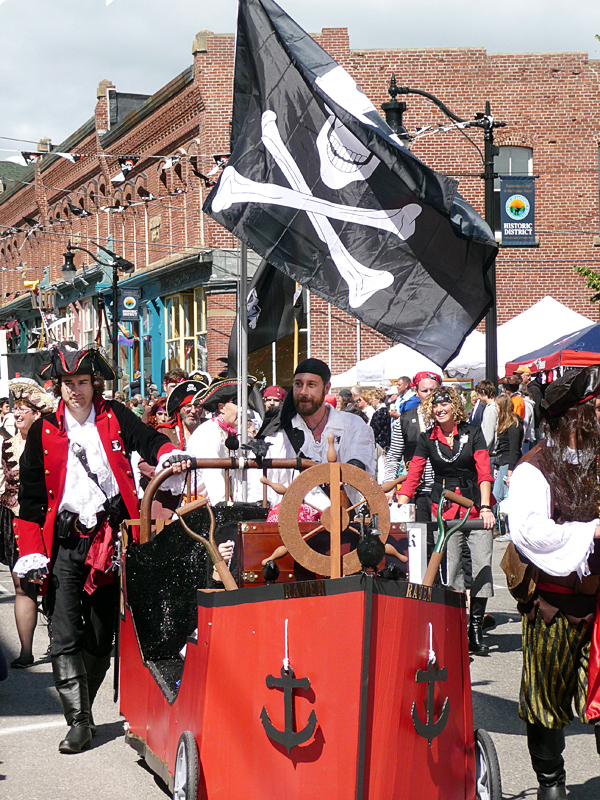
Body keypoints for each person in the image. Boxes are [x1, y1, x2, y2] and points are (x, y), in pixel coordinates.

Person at [12, 344, 189, 755]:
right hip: (64, 544)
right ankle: (77, 722)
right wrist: (32, 550)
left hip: (109, 542)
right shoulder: (44, 429)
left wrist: (169, 454)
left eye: (83, 382)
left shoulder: (115, 416)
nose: (76, 391)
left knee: (99, 635)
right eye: (69, 384)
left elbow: (148, 439)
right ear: (59, 387)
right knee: (63, 632)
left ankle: (85, 713)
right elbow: (33, 497)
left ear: (95, 384)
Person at [507, 366, 600, 800]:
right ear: (575, 417)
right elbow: (529, 532)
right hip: (553, 606)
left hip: (598, 606)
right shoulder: (534, 468)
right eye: (596, 410)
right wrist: (592, 531)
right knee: (545, 704)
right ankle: (551, 786)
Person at [397, 386, 495, 654]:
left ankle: (475, 628)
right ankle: (456, 627)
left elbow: (484, 472)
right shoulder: (427, 438)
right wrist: (400, 506)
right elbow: (414, 474)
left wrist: (486, 507)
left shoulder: (472, 433)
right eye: (435, 406)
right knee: (451, 569)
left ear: (455, 407)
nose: (440, 409)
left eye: (445, 405)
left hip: (475, 506)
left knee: (482, 564)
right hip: (445, 508)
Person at [263, 359, 376, 507]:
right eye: (298, 384)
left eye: (311, 385)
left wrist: (345, 474)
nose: (303, 392)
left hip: (341, 522)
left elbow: (359, 459)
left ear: (326, 388)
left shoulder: (353, 425)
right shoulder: (279, 433)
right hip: (290, 523)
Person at [0, 382, 54, 668]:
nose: (17, 414)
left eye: (23, 409)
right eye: (16, 409)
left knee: (53, 582)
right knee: (22, 586)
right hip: (14, 519)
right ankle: (25, 651)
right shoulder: (7, 443)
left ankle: (61, 643)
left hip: (44, 517)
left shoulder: (51, 442)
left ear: (37, 413)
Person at [186, 375, 263, 505]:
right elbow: (213, 475)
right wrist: (226, 508)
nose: (244, 409)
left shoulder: (236, 432)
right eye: (238, 403)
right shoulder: (208, 432)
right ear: (221, 408)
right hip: (202, 507)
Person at [383, 371, 442, 521]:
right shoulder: (406, 419)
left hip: (444, 489)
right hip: (417, 488)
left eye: (433, 390)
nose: (429, 395)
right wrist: (389, 483)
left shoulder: (449, 417)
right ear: (416, 391)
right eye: (424, 391)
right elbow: (394, 455)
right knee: (421, 538)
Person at [492, 393, 523, 539]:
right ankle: (500, 528)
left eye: (497, 406)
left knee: (505, 498)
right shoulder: (504, 422)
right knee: (499, 497)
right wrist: (496, 466)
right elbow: (501, 447)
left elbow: (514, 449)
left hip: (509, 464)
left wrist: (510, 471)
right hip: (502, 462)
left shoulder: (513, 424)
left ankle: (510, 531)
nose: (495, 409)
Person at [164, 379, 208, 449]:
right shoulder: (164, 431)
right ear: (180, 408)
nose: (193, 411)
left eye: (197, 406)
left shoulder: (211, 429)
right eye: (188, 406)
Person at [474, 380, 498, 451]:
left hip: (490, 452)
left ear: (483, 392)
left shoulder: (490, 409)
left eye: (478, 394)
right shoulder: (493, 406)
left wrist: (482, 450)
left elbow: (488, 435)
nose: (477, 397)